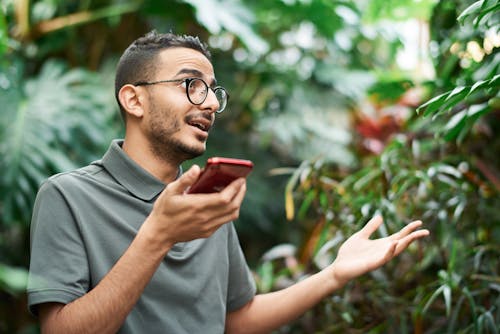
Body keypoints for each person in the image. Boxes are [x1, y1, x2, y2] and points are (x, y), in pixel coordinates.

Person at [27, 30, 429, 334]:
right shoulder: (67, 196)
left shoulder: (206, 201)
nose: (212, 103)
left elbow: (236, 317)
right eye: (191, 85)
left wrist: (335, 274)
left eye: (213, 90)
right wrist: (158, 235)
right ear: (134, 100)